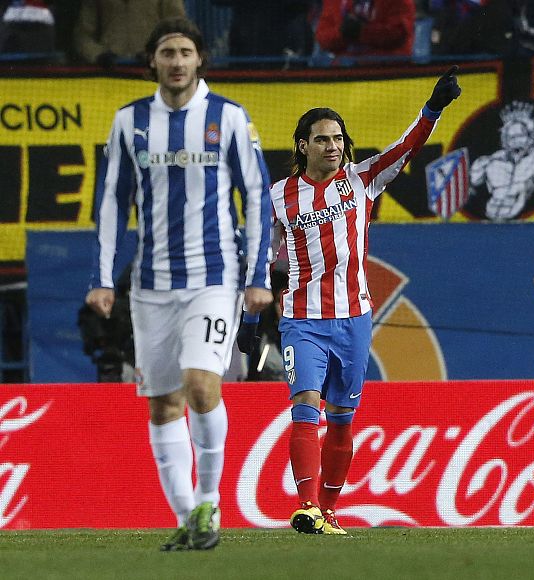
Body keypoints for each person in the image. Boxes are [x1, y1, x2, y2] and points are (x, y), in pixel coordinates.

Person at [85, 16, 273, 551]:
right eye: (167, 52)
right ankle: (189, 516)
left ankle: (210, 502)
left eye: (185, 52)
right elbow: (110, 203)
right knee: (163, 404)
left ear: (200, 60)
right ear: (153, 62)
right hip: (150, 286)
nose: (176, 61)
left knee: (201, 385)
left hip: (215, 277)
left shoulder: (230, 118)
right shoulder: (129, 122)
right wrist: (102, 278)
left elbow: (256, 197)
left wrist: (258, 275)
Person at [253, 66, 460, 535]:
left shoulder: (362, 179)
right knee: (306, 404)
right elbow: (256, 254)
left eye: (338, 138)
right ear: (302, 145)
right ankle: (306, 506)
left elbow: (405, 148)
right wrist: (251, 312)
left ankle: (327, 510)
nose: (333, 146)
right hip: (302, 319)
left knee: (343, 420)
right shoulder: (276, 197)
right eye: (322, 139)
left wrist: (432, 109)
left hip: (354, 319)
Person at [73, 0, 185, 67]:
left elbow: (176, 29)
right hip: (109, 73)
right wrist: (98, 55)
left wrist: (155, 53)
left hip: (152, 72)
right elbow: (83, 34)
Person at [315, 0, 415, 59]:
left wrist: (362, 32)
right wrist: (341, 33)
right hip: (344, 74)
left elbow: (399, 33)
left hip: (387, 74)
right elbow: (322, 37)